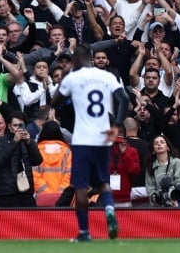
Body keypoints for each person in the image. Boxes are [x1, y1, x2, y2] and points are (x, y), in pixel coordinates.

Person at [52, 44, 129, 242]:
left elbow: (54, 101)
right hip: (103, 137)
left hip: (82, 139)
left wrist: (65, 81)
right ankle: (110, 209)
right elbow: (124, 99)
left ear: (76, 59)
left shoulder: (73, 78)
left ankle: (84, 232)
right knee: (103, 182)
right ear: (92, 57)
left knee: (80, 186)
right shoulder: (107, 76)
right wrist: (117, 125)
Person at [145, 135, 180, 207]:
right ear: (153, 150)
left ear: (168, 147)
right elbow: (150, 189)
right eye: (156, 143)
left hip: (177, 198)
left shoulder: (177, 162)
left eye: (162, 142)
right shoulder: (150, 167)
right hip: (159, 202)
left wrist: (173, 197)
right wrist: (156, 198)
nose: (159, 144)